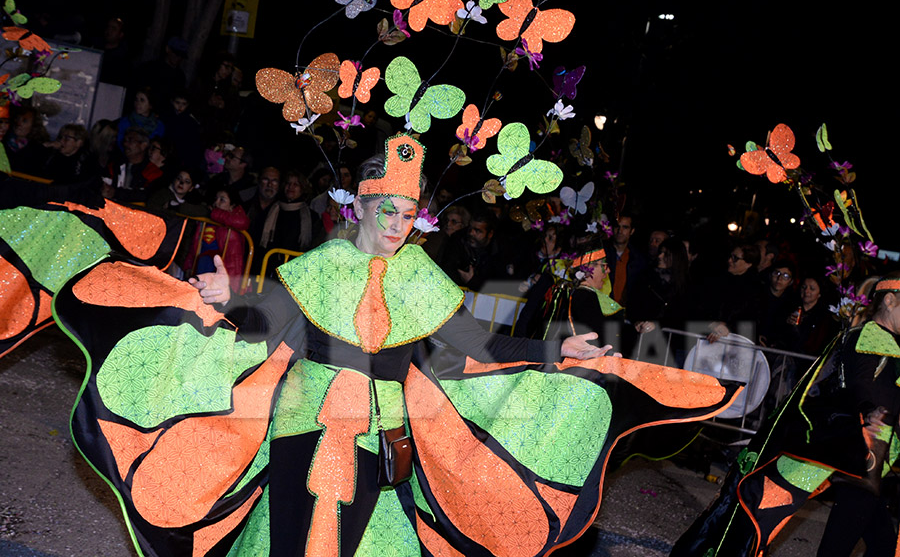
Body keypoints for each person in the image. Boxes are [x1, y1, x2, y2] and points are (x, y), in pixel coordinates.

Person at [46, 133, 735, 557]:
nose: (400, 224)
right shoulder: (319, 264)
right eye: (389, 211)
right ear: (364, 207)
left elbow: (476, 347)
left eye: (409, 213)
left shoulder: (426, 282)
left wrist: (560, 353)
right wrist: (232, 296)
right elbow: (269, 320)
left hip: (379, 437)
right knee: (286, 536)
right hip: (298, 424)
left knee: (351, 540)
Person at [672, 274, 900, 557]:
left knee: (881, 542)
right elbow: (868, 393)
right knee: (846, 544)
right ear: (889, 301)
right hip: (863, 459)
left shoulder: (867, 337)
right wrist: (872, 416)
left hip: (863, 459)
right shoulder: (875, 340)